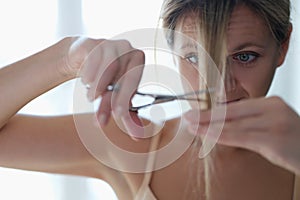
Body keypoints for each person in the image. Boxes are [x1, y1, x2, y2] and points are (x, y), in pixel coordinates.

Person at [0, 0, 299, 199]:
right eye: (194, 58)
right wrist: (66, 57)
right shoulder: (127, 143)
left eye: (245, 57)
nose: (220, 87)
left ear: (282, 46)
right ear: (172, 52)